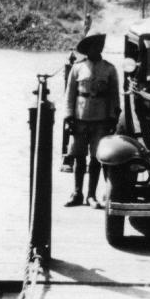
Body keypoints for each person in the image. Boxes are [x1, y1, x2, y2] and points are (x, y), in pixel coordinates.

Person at [64, 29, 121, 208]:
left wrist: (113, 118)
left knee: (96, 158)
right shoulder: (77, 68)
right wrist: (68, 117)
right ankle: (77, 193)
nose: (97, 48)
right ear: (87, 48)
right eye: (93, 45)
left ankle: (91, 195)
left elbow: (114, 96)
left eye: (99, 45)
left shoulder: (110, 69)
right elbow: (69, 96)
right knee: (79, 156)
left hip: (101, 120)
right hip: (80, 119)